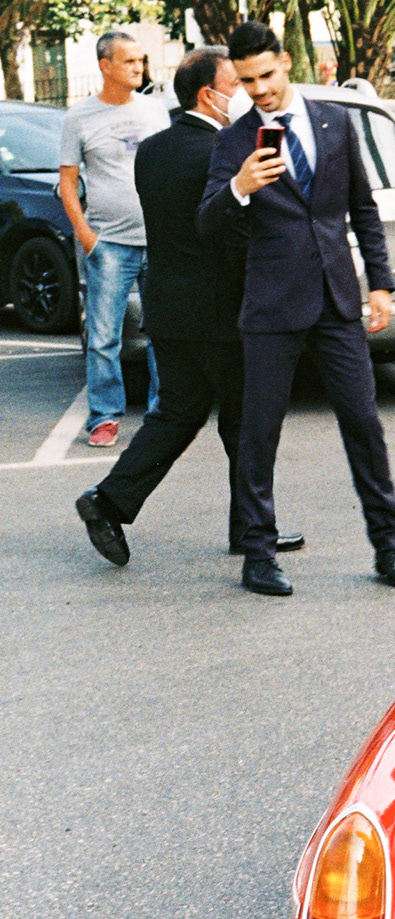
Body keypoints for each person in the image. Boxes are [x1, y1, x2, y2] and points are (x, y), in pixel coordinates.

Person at [200, 21, 395, 598]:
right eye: (247, 81)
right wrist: (240, 187)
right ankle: (258, 555)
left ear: (286, 62)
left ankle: (388, 547)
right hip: (271, 305)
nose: (260, 89)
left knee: (364, 424)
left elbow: (362, 208)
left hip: (337, 300)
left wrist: (381, 284)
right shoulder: (234, 142)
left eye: (267, 75)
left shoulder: (335, 122)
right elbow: (206, 223)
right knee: (259, 434)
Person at [74, 47, 306, 568]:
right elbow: (235, 234)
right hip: (224, 312)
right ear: (208, 94)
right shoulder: (225, 151)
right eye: (236, 84)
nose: (246, 93)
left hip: (170, 306)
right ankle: (251, 531)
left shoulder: (153, 150)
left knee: (178, 413)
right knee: (245, 422)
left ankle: (107, 501)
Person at [59, 31, 167, 451]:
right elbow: (68, 183)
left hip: (159, 241)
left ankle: (161, 416)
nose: (139, 68)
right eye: (129, 61)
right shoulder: (79, 117)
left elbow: (172, 166)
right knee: (104, 337)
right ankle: (104, 417)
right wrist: (87, 236)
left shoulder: (154, 110)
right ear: (105, 66)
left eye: (141, 60)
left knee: (163, 334)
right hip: (109, 246)